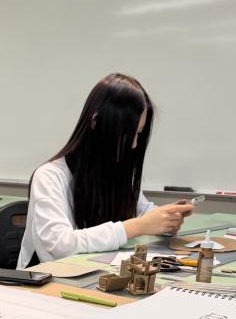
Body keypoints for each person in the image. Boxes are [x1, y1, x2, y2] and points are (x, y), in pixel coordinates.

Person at [17, 74, 193, 266]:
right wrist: (138, 226)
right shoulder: (50, 176)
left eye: (139, 134)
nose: (134, 144)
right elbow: (59, 245)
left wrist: (166, 220)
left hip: (98, 273)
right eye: (128, 133)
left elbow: (142, 211)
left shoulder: (117, 171)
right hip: (51, 281)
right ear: (96, 123)